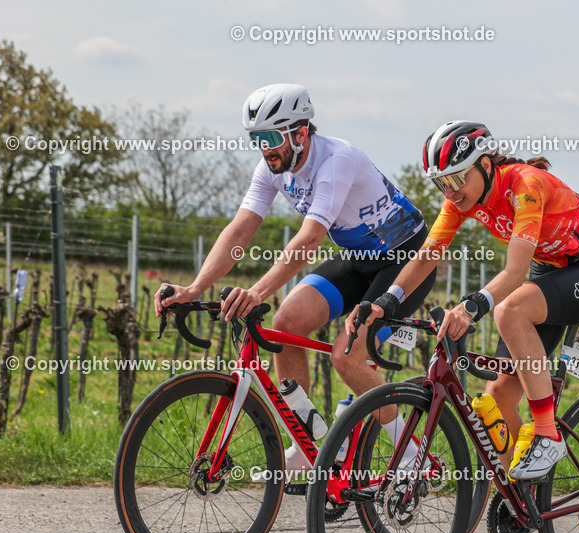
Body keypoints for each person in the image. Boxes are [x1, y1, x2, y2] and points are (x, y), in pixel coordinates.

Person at [154, 83, 434, 476]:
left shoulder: (336, 160)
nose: (264, 148)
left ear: (300, 133)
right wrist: (194, 288)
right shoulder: (272, 169)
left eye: (271, 138)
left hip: (405, 261)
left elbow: (310, 240)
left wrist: (256, 291)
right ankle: (306, 446)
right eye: (256, 139)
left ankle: (410, 455)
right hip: (358, 258)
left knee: (346, 355)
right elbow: (240, 231)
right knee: (284, 324)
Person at [348, 120, 579, 485]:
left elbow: (515, 272)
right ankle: (519, 499)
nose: (450, 191)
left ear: (483, 164)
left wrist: (471, 306)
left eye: (456, 179)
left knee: (510, 310)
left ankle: (548, 434)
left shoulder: (525, 184)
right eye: (441, 183)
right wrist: (386, 301)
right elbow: (428, 255)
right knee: (497, 400)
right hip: (551, 270)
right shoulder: (461, 200)